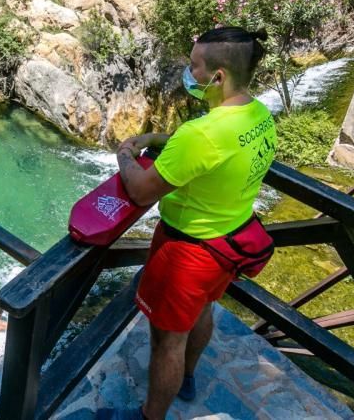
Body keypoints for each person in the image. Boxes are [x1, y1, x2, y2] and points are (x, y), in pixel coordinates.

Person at [99, 27, 277, 420]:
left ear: (218, 77)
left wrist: (125, 153)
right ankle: (189, 377)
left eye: (194, 66)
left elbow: (143, 190)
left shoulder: (202, 134)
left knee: (167, 341)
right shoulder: (260, 115)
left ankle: (150, 416)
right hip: (227, 242)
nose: (188, 72)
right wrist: (159, 137)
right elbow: (205, 152)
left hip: (187, 251)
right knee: (203, 311)